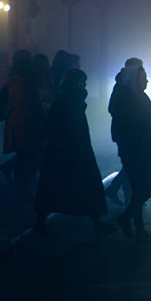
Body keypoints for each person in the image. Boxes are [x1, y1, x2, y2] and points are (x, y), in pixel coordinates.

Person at [32, 69, 117, 237]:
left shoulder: (67, 100)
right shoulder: (69, 102)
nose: (84, 86)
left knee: (53, 187)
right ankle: (96, 222)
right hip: (72, 151)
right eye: (82, 82)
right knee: (86, 185)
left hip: (63, 151)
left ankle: (41, 223)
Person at [109, 61, 151, 244]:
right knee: (141, 189)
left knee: (144, 189)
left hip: (142, 149)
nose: (146, 81)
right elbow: (128, 125)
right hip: (134, 150)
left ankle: (130, 220)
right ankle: (137, 226)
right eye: (143, 77)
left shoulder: (139, 95)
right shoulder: (126, 98)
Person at [2, 50, 47, 203]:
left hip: (17, 121)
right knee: (29, 156)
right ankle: (24, 190)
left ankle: (21, 189)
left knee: (24, 156)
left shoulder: (13, 80)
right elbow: (31, 104)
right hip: (27, 122)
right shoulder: (27, 82)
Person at [105, 58, 144, 206]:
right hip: (126, 133)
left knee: (130, 164)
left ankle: (119, 191)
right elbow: (112, 108)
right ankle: (128, 196)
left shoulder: (124, 84)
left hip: (125, 132)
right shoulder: (122, 86)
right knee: (131, 164)